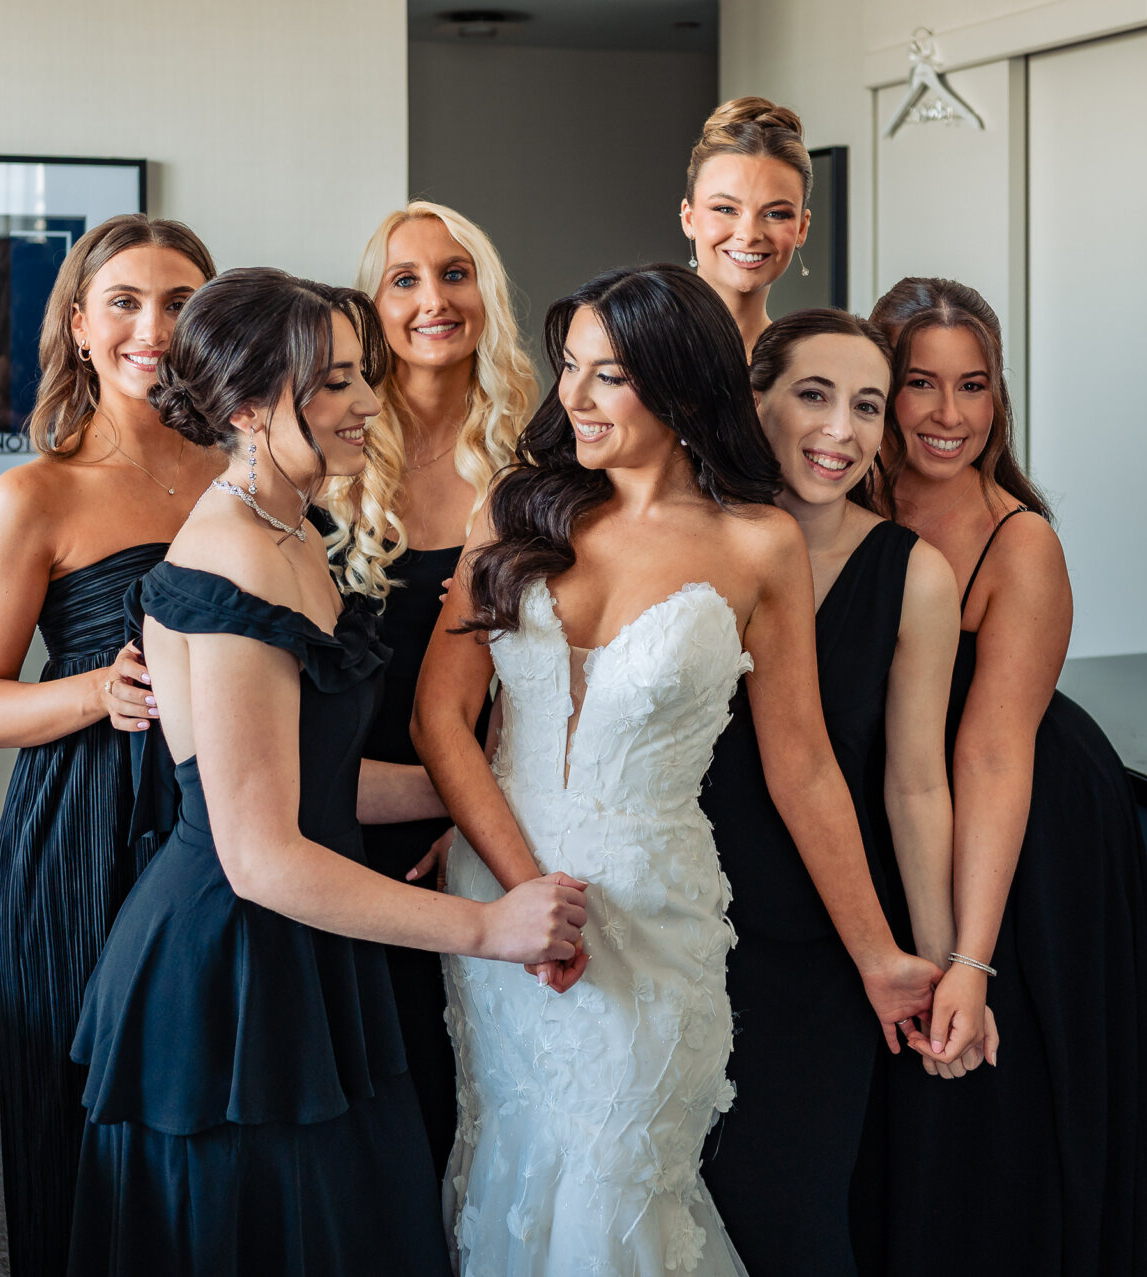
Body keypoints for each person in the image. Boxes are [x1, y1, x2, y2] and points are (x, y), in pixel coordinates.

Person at [413, 266, 946, 1276]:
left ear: (682, 385)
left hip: (652, 913)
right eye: (571, 368)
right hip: (501, 900)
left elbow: (804, 765)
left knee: (620, 1182)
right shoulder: (515, 509)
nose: (573, 397)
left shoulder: (758, 543)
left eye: (607, 375)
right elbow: (440, 718)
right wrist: (524, 896)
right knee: (520, 1165)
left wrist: (880, 955)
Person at [66, 268, 589, 1275]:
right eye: (334, 383)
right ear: (248, 409)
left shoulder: (291, 529)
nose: (365, 404)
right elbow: (261, 852)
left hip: (305, 943)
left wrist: (477, 791)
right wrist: (487, 927)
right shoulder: (232, 559)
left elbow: (312, 779)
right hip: (233, 966)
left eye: (360, 376)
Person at [865, 276, 1147, 1276]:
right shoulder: (840, 498)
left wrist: (972, 955)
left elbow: (993, 753)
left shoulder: (1019, 540)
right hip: (900, 813)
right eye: (921, 383)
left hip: (1021, 830)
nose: (949, 414)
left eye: (974, 385)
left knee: (995, 1101)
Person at [0, 213, 219, 1277]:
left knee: (205, 1110)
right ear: (78, 323)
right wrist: (99, 689)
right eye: (125, 302)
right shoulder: (36, 494)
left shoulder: (244, 469)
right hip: (79, 838)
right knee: (82, 1116)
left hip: (220, 826)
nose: (154, 328)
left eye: (181, 302)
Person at [698, 309, 974, 1276]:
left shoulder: (914, 575)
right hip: (671, 930)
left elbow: (916, 784)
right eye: (814, 395)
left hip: (822, 949)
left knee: (793, 1225)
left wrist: (946, 965)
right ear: (755, 401)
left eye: (866, 406)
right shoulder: (687, 540)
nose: (841, 430)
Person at [320, 201, 538, 1174]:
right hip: (337, 808)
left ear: (486, 295)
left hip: (478, 816)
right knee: (366, 1094)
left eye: (455, 273)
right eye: (403, 280)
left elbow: (549, 667)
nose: (432, 300)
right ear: (371, 306)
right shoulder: (327, 454)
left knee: (466, 1086)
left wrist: (474, 810)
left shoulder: (538, 465)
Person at [680, 96, 812, 357]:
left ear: (801, 229)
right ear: (689, 219)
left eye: (775, 214)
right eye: (726, 209)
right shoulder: (628, 350)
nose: (749, 235)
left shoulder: (808, 367)